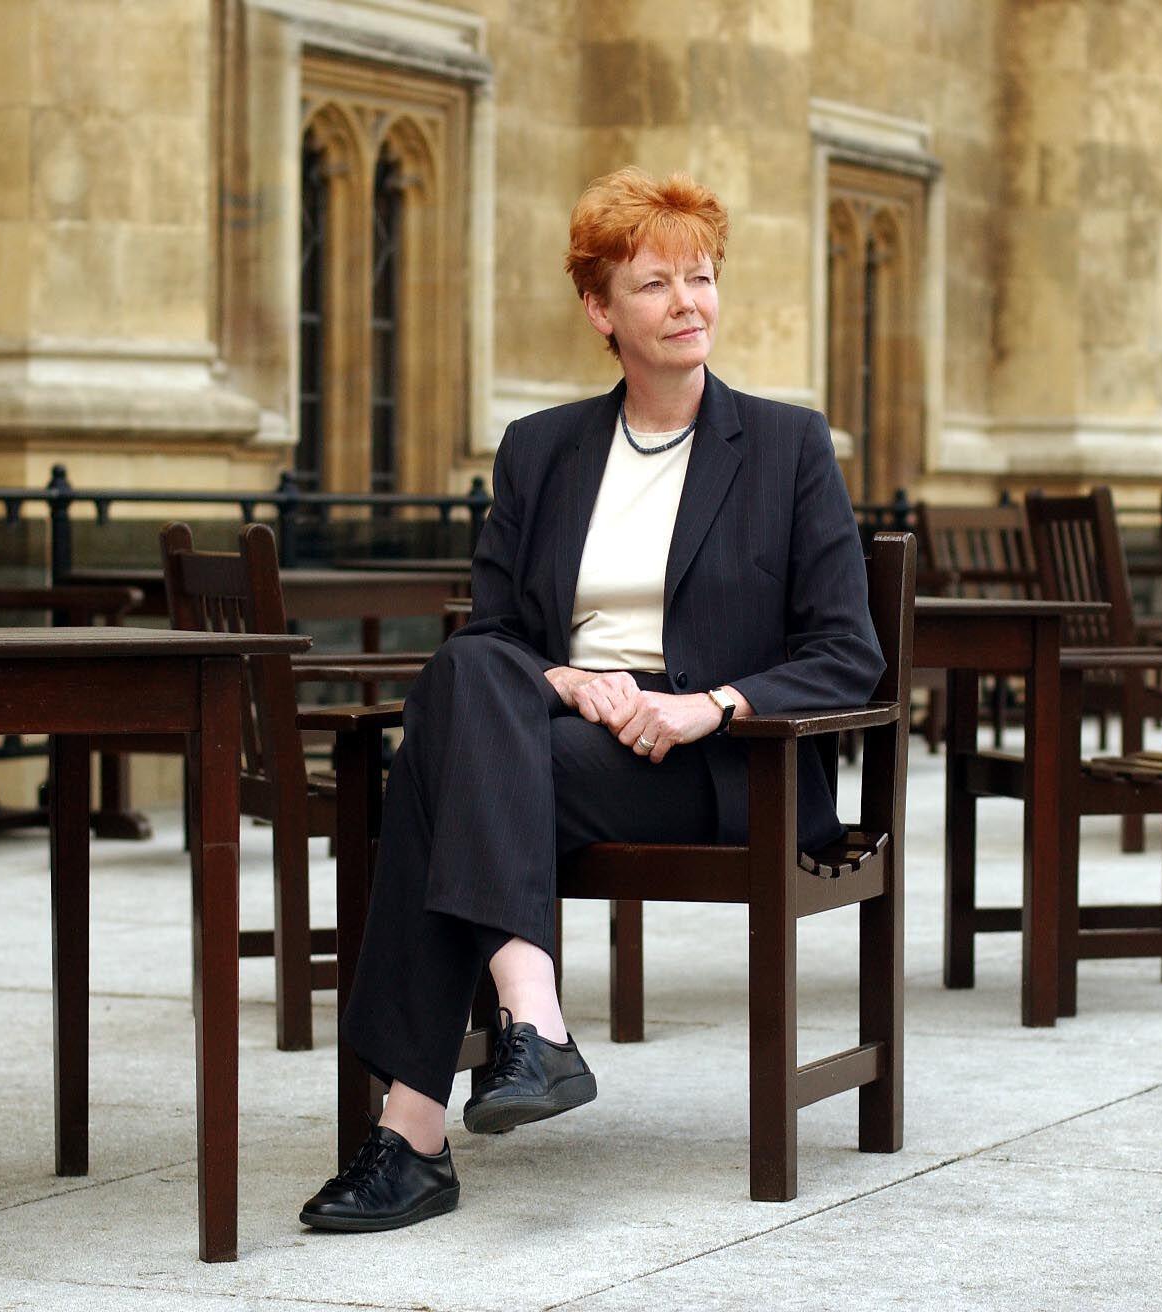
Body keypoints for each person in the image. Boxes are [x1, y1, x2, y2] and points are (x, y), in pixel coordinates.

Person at [299, 166, 884, 1232]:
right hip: (566, 736)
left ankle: (412, 1133)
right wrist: (563, 677)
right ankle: (532, 1023)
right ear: (598, 309)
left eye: (699, 278)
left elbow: (849, 654)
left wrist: (702, 704)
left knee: (432, 775)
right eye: (654, 284)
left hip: (723, 761)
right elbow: (496, 636)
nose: (686, 303)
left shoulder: (788, 448)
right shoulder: (541, 450)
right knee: (470, 678)